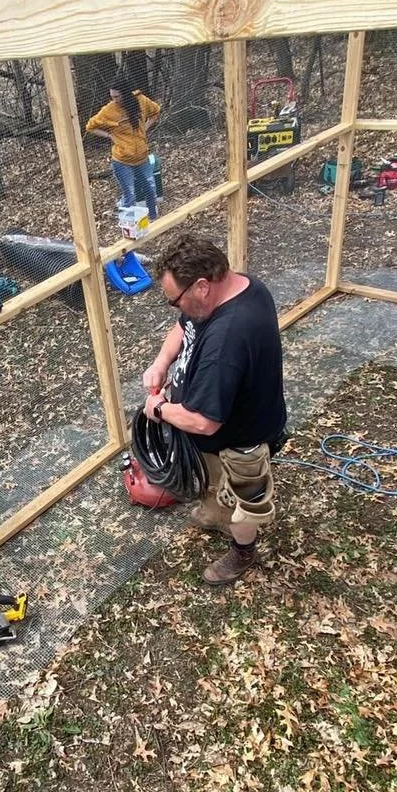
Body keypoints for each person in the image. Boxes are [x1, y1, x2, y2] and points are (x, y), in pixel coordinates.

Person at [142, 234, 287, 585]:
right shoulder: (242, 286)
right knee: (211, 479)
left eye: (176, 300)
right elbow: (183, 327)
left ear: (202, 286)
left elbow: (203, 422)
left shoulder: (228, 338)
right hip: (221, 430)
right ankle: (214, 510)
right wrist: (162, 362)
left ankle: (243, 552)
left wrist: (158, 408)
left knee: (244, 502)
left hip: (240, 440)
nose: (177, 309)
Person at [85, 75, 160, 220]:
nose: (114, 100)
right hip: (122, 161)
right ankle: (128, 224)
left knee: (150, 190)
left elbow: (155, 111)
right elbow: (90, 126)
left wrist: (145, 127)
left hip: (142, 158)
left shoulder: (141, 100)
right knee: (130, 195)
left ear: (126, 93)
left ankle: (153, 218)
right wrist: (109, 135)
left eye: (117, 96)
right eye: (112, 96)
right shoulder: (109, 110)